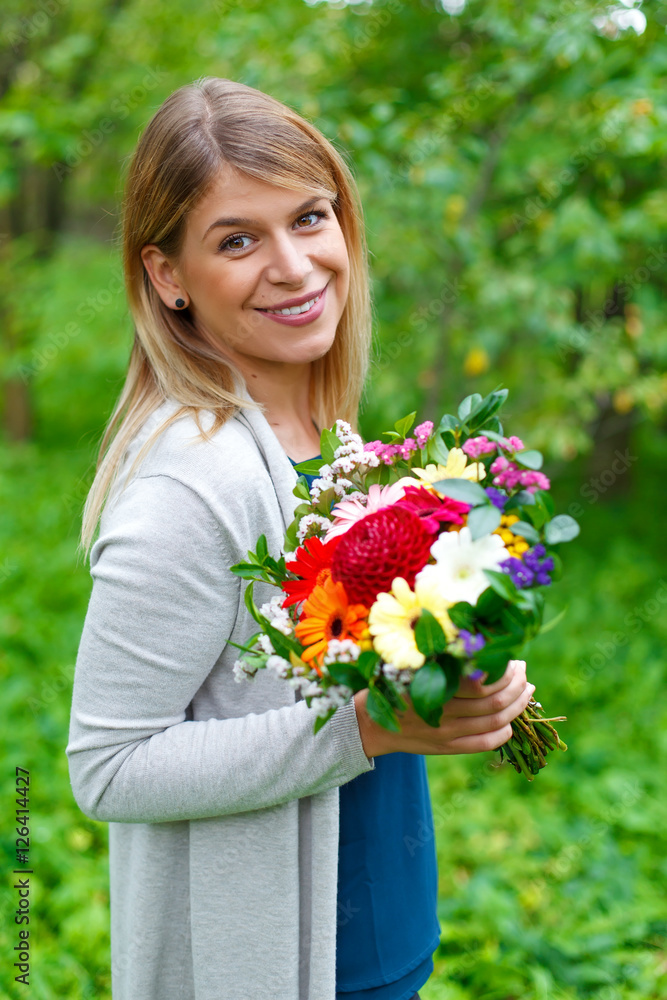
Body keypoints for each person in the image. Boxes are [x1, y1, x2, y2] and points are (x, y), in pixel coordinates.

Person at [66, 77, 535, 1000]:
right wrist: (367, 728)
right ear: (166, 277)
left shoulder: (330, 438)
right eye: (236, 239)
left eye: (309, 217)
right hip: (276, 964)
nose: (292, 265)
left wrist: (459, 651)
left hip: (375, 925)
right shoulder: (187, 486)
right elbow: (107, 769)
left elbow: (335, 658)